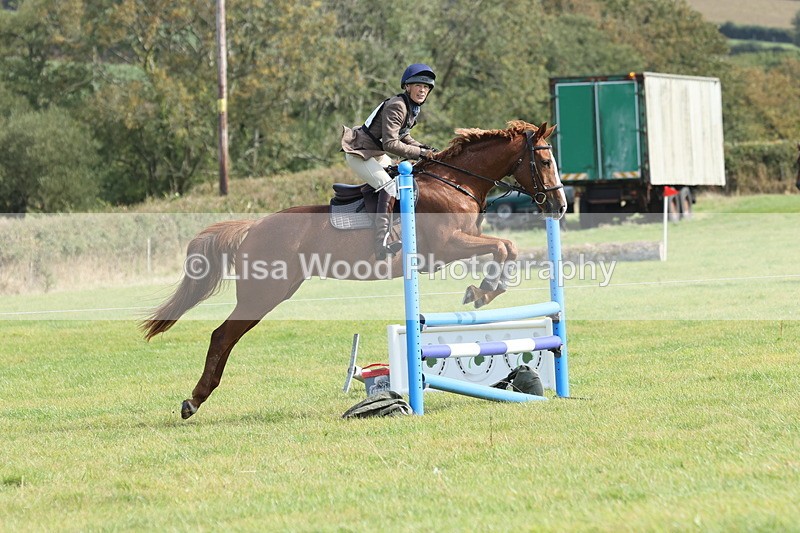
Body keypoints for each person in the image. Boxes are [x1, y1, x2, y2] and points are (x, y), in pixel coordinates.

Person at [341, 63, 437, 259]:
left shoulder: (411, 108)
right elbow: (391, 144)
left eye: (426, 87)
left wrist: (427, 149)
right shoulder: (397, 105)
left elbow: (404, 137)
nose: (422, 90)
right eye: (418, 85)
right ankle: (381, 243)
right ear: (407, 87)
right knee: (390, 187)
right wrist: (420, 153)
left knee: (404, 182)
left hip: (374, 153)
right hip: (360, 153)